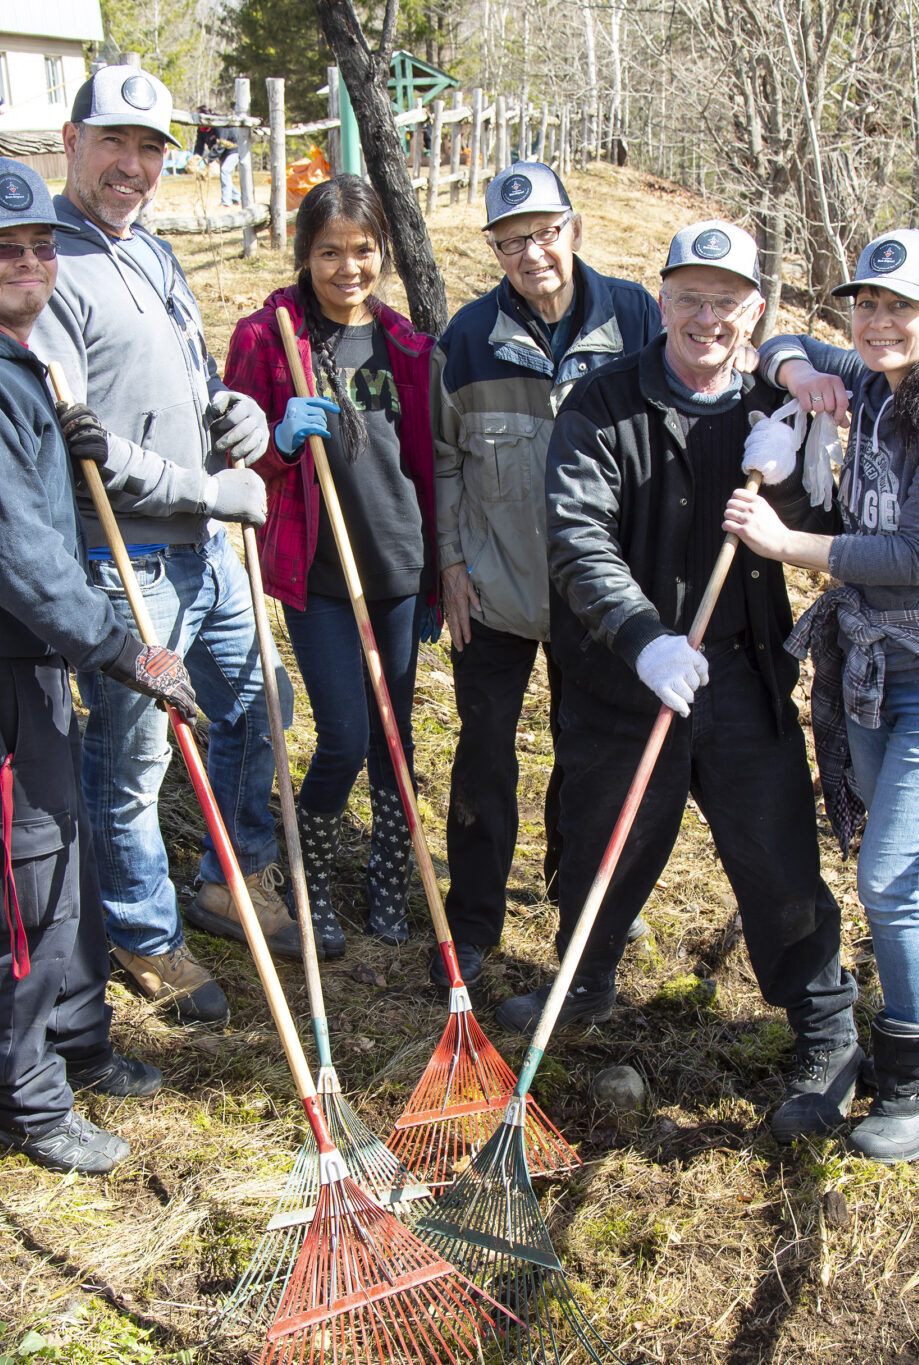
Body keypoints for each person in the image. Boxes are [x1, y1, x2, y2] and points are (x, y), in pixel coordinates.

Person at [0, 157, 195, 1176]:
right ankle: (14, 1100)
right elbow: (10, 547)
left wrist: (66, 446)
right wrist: (117, 649)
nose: (27, 262)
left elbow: (24, 503)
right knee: (14, 891)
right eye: (1, 249)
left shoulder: (2, 362)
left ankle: (73, 1044)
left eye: (39, 245)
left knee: (61, 871)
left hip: (22, 669)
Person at [533, 220, 862, 1144]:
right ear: (662, 297)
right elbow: (575, 537)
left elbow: (818, 519)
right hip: (625, 676)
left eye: (727, 301)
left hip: (743, 674)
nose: (706, 317)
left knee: (776, 852)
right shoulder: (603, 403)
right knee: (604, 839)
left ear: (755, 311)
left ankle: (823, 1028)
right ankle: (582, 980)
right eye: (690, 296)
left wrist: (792, 479)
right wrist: (643, 639)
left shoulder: (776, 405)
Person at [726, 227, 919, 1164]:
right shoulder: (873, 378)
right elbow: (784, 346)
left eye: (901, 306)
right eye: (866, 304)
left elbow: (916, 558)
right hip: (872, 666)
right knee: (915, 868)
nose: (879, 321)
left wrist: (788, 547)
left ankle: (915, 1080)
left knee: (891, 875)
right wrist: (793, 368)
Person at [30, 66, 296, 1026]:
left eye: (150, 148)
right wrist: (207, 487)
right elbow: (83, 446)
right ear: (71, 140)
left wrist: (233, 415)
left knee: (258, 701)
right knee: (131, 759)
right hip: (124, 560)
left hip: (207, 551)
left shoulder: (155, 252)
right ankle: (143, 934)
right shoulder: (50, 266)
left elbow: (184, 383)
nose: (133, 164)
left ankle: (231, 877)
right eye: (115, 143)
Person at [432, 161, 662, 991]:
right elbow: (446, 459)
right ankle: (473, 924)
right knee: (484, 753)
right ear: (494, 250)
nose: (532, 252)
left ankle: (581, 912)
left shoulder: (638, 317)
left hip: (596, 594)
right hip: (494, 589)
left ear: (574, 226)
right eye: (511, 241)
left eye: (544, 231)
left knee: (587, 749)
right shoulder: (465, 338)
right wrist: (450, 561)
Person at [225, 176, 438, 952]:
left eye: (363, 250)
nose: (348, 267)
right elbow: (231, 459)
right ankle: (309, 877)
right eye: (328, 252)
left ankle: (386, 879)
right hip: (316, 575)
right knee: (345, 735)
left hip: (399, 570)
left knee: (395, 740)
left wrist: (439, 576)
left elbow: (428, 463)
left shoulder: (407, 345)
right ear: (304, 254)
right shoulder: (266, 336)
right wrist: (276, 442)